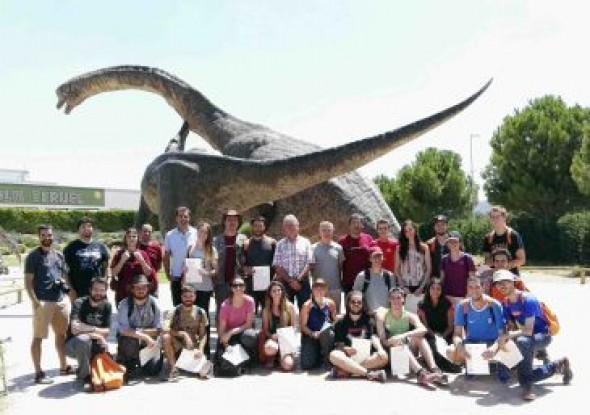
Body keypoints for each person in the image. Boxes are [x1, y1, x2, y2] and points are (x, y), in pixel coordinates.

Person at [491, 270, 573, 401]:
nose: (501, 286)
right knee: (521, 370)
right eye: (498, 284)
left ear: (513, 282)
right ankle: (557, 366)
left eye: (505, 282)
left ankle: (527, 387)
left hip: (543, 336)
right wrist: (499, 342)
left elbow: (528, 331)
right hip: (524, 337)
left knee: (523, 341)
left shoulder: (528, 299)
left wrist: (508, 336)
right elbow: (507, 328)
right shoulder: (505, 303)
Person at [24, 224, 72, 384]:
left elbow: (64, 275)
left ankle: (64, 366)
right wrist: (35, 302)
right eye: (43, 235)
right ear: (39, 237)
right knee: (38, 337)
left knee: (61, 334)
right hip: (43, 302)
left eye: (49, 235)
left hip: (60, 301)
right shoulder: (33, 257)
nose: (47, 238)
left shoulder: (59, 255)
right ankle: (38, 373)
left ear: (53, 236)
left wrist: (68, 294)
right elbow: (28, 282)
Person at [376, 287, 446, 388]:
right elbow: (383, 340)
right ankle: (421, 373)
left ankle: (434, 369)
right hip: (391, 355)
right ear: (389, 300)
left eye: (399, 297)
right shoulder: (383, 314)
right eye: (393, 298)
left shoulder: (409, 315)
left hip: (406, 352)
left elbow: (423, 329)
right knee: (398, 343)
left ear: (403, 299)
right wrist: (393, 341)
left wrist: (403, 335)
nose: (396, 301)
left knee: (419, 338)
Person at [446, 277, 505, 372]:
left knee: (509, 352)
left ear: (483, 287)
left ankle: (481, 364)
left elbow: (502, 334)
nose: (474, 290)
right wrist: (459, 346)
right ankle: (483, 364)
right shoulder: (462, 306)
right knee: (450, 351)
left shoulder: (494, 305)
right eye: (471, 287)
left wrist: (494, 348)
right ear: (467, 289)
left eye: (477, 287)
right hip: (472, 344)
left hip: (491, 344)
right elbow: (457, 334)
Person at [328, 291, 388, 382]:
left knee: (384, 357)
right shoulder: (341, 322)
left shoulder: (369, 320)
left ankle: (346, 371)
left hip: (366, 357)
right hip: (347, 356)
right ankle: (369, 374)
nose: (356, 304)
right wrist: (345, 348)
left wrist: (380, 349)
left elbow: (373, 337)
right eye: (353, 302)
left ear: (363, 304)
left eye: (359, 302)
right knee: (333, 355)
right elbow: (338, 344)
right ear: (348, 303)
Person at [65, 277, 112, 391]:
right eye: (95, 289)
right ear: (90, 289)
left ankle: (87, 367)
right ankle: (85, 376)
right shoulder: (79, 303)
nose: (98, 293)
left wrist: (90, 329)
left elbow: (107, 331)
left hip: (96, 344)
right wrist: (95, 334)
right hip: (73, 345)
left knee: (105, 357)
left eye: (102, 290)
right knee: (83, 339)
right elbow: (74, 329)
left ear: (105, 291)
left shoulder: (107, 306)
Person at [117, 274, 163, 384]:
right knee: (128, 340)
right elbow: (123, 330)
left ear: (148, 288)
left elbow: (159, 329)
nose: (141, 290)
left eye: (144, 287)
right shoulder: (124, 304)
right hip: (132, 341)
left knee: (154, 371)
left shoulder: (155, 303)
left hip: (150, 343)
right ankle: (129, 362)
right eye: (137, 287)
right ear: (132, 289)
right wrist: (145, 336)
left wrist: (139, 332)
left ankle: (145, 362)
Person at [161, 285, 212, 381]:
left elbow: (203, 334)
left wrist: (201, 350)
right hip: (177, 346)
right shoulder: (174, 311)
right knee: (166, 337)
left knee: (203, 374)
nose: (188, 299)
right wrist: (183, 334)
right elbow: (164, 328)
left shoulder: (201, 312)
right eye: (185, 296)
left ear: (195, 297)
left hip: (192, 347)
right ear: (181, 297)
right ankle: (173, 367)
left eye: (191, 296)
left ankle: (193, 364)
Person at [183, 221, 217, 358]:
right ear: (197, 232)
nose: (203, 234)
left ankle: (206, 350)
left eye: (205, 232)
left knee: (204, 318)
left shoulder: (211, 250)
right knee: (191, 319)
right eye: (201, 231)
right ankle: (191, 348)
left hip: (205, 288)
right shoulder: (190, 248)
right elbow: (186, 266)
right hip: (191, 288)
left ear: (208, 234)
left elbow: (216, 270)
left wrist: (206, 272)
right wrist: (185, 272)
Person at [417, 278, 461, 373]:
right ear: (428, 289)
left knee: (447, 349)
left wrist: (442, 336)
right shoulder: (422, 304)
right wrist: (435, 336)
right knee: (433, 345)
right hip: (430, 334)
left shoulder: (447, 304)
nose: (435, 291)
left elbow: (450, 326)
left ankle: (444, 365)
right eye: (433, 288)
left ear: (441, 291)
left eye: (438, 289)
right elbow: (425, 326)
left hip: (446, 333)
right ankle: (443, 366)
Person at [63, 217, 109, 300]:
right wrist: (70, 290)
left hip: (97, 292)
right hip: (78, 292)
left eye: (89, 226)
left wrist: (104, 284)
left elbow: (106, 267)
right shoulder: (70, 248)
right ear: (78, 230)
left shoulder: (101, 246)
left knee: (99, 313)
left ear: (93, 229)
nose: (86, 228)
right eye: (83, 227)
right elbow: (64, 270)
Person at [272, 214, 313, 309]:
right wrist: (290, 281)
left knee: (305, 309)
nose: (290, 228)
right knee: (285, 310)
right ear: (284, 228)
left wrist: (298, 280)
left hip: (303, 282)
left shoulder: (306, 242)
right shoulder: (280, 244)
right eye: (287, 226)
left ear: (298, 226)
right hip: (285, 282)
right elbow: (277, 265)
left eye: (292, 225)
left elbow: (310, 263)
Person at [110, 227, 158, 305]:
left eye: (134, 236)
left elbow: (149, 273)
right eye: (129, 236)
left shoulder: (143, 254)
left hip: (140, 294)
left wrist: (141, 261)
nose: (131, 239)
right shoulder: (119, 254)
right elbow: (113, 273)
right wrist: (122, 260)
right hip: (123, 294)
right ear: (125, 239)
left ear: (137, 238)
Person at [216, 276, 258, 364]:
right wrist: (226, 345)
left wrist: (231, 332)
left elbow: (248, 324)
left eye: (241, 285)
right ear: (231, 288)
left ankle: (249, 355)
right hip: (228, 337)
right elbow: (222, 328)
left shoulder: (250, 301)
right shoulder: (225, 305)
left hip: (242, 332)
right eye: (235, 285)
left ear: (244, 287)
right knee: (224, 359)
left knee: (250, 336)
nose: (238, 288)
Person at [213, 210, 248, 318]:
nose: (232, 222)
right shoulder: (216, 240)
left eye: (235, 220)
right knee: (221, 310)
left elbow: (247, 259)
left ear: (238, 222)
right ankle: (221, 334)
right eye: (229, 220)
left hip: (239, 282)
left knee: (239, 310)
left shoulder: (244, 239)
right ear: (224, 222)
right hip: (221, 282)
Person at [299, 278, 337, 370]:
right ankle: (317, 355)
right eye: (316, 287)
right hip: (311, 335)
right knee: (306, 364)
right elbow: (303, 326)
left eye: (322, 287)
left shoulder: (330, 303)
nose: (319, 289)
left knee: (327, 333)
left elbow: (334, 321)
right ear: (312, 289)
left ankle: (326, 358)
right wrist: (312, 333)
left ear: (326, 289)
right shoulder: (307, 305)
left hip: (326, 335)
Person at [395, 220, 431, 313]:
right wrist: (403, 287)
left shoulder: (424, 247)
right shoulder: (399, 248)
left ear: (415, 230)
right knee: (406, 314)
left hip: (420, 287)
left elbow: (428, 269)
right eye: (406, 231)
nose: (409, 232)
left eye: (410, 229)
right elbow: (396, 270)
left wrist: (422, 287)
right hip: (405, 288)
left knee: (420, 314)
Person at [241, 216, 276, 314]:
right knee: (250, 313)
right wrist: (245, 269)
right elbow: (242, 263)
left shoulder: (272, 242)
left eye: (260, 226)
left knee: (268, 312)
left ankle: (268, 330)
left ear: (264, 227)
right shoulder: (246, 244)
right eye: (255, 226)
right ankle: (249, 329)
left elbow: (276, 263)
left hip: (268, 284)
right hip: (251, 284)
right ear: (252, 227)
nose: (257, 228)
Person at [260, 281, 297, 371]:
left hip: (286, 340)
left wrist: (283, 336)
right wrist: (271, 336)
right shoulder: (266, 309)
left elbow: (294, 327)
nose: (277, 293)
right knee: (270, 347)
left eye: (279, 290)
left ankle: (282, 357)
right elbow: (265, 330)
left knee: (288, 366)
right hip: (272, 340)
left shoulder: (290, 307)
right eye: (274, 291)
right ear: (270, 293)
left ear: (282, 291)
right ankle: (272, 357)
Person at [164, 206, 197, 306]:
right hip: (177, 276)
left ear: (189, 218)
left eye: (185, 216)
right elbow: (166, 255)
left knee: (194, 306)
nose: (183, 219)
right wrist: (167, 272)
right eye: (180, 216)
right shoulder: (170, 235)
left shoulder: (196, 233)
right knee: (177, 306)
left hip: (193, 276)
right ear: (176, 218)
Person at [311, 221, 344, 313]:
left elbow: (340, 267)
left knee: (335, 314)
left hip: (335, 288)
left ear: (333, 231)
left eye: (329, 230)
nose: (326, 233)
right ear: (319, 232)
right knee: (318, 315)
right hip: (319, 289)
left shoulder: (338, 248)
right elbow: (311, 268)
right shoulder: (312, 248)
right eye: (324, 230)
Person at [482, 205, 526, 275]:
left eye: (498, 217)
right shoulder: (488, 237)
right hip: (495, 277)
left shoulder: (513, 235)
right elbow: (487, 260)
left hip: (511, 276)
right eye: (492, 217)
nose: (495, 219)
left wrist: (506, 266)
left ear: (504, 217)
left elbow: (522, 260)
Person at [352, 246, 394, 315]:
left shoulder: (390, 276)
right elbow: (355, 297)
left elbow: (394, 297)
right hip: (368, 316)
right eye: (375, 257)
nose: (377, 259)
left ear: (383, 258)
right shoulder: (362, 276)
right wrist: (366, 311)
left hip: (386, 315)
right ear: (370, 259)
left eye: (380, 256)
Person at [338, 214, 373, 296]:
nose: (356, 225)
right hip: (349, 281)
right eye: (354, 223)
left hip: (366, 280)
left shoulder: (368, 238)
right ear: (349, 226)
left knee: (367, 307)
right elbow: (338, 262)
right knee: (350, 307)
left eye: (359, 223)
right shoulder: (342, 241)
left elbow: (375, 252)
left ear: (363, 225)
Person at [439, 231, 475, 303]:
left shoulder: (467, 258)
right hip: (447, 297)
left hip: (464, 298)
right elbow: (442, 280)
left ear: (460, 243)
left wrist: (467, 297)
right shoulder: (444, 259)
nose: (453, 244)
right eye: (450, 242)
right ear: (447, 244)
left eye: (455, 241)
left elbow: (472, 280)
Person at [426, 214, 450, 279]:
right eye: (437, 225)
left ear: (447, 226)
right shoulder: (429, 243)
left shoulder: (454, 242)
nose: (440, 227)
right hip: (435, 281)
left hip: (452, 279)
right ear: (434, 227)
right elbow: (427, 264)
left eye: (443, 224)